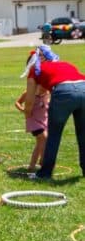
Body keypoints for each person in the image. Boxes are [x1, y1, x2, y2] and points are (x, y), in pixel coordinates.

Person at [21, 44, 85, 179]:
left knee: (54, 135)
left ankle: (45, 173)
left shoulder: (34, 70)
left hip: (63, 92)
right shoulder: (66, 64)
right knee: (83, 134)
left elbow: (30, 100)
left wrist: (27, 113)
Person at [15, 52, 50, 173]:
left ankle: (32, 165)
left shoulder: (47, 92)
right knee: (44, 138)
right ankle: (43, 161)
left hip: (44, 120)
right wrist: (23, 111)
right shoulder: (30, 92)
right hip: (33, 120)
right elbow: (17, 102)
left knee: (40, 143)